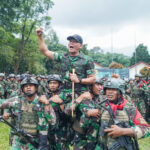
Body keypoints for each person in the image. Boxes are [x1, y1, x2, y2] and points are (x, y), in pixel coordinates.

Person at [0, 76, 56, 150]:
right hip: (19, 141)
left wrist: (47, 104)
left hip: (36, 141)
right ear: (22, 89)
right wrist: (6, 112)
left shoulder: (42, 102)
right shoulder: (18, 101)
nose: (28, 87)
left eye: (31, 85)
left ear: (36, 88)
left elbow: (52, 121)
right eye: (26, 86)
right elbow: (3, 104)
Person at [95, 78, 150, 149]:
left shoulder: (129, 108)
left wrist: (123, 131)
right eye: (108, 89)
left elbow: (146, 129)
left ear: (120, 92)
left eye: (114, 89)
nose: (110, 92)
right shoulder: (102, 106)